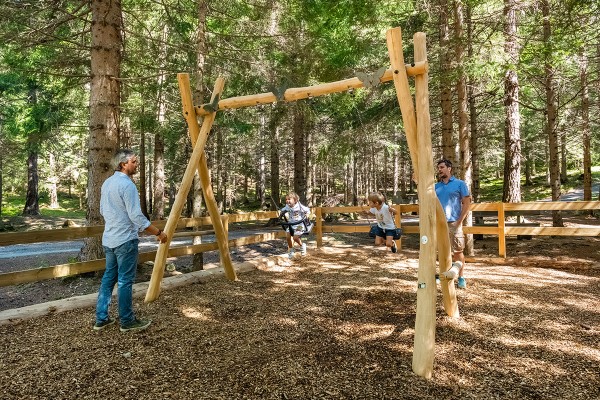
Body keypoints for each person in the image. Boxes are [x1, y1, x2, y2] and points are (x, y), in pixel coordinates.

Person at [94, 149, 168, 332]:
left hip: (109, 239)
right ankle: (127, 321)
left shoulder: (107, 183)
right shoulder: (127, 185)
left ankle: (101, 319)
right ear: (123, 164)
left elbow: (103, 210)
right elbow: (136, 216)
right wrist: (158, 232)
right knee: (125, 281)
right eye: (133, 161)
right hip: (125, 240)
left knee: (108, 279)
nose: (136, 164)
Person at [435, 158, 471, 289]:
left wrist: (459, 221)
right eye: (438, 168)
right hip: (439, 224)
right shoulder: (435, 186)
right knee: (441, 251)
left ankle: (461, 277)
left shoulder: (460, 184)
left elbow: (467, 203)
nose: (439, 170)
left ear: (449, 168)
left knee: (458, 251)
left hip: (454, 222)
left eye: (442, 167)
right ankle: (442, 274)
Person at [280, 192, 310, 259]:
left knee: (295, 238)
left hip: (300, 224)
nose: (287, 201)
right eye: (286, 199)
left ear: (295, 200)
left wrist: (307, 214)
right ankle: (291, 250)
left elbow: (307, 210)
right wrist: (281, 212)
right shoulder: (287, 206)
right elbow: (283, 210)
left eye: (289, 199)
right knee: (288, 237)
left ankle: (302, 246)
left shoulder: (299, 206)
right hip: (291, 224)